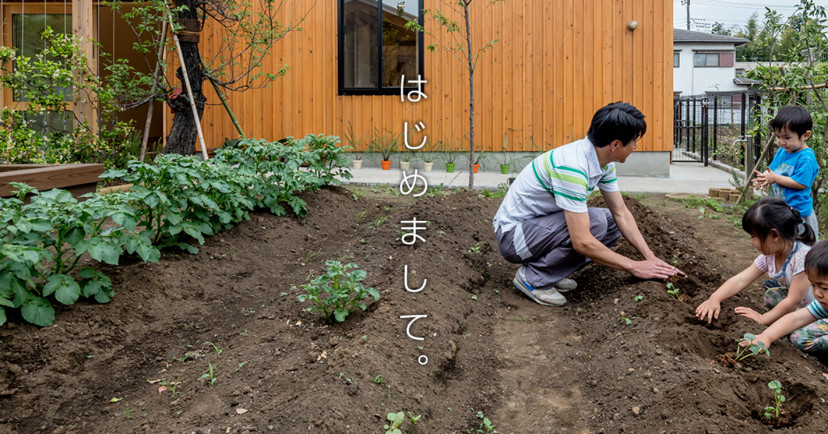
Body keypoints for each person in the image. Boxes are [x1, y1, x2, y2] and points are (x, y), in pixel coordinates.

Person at [492, 102, 681, 307]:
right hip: (513, 239)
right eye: (634, 141)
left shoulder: (602, 162)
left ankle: (549, 272)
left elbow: (621, 213)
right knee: (596, 223)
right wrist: (634, 266)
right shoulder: (572, 167)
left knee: (609, 222)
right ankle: (533, 278)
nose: (635, 147)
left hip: (535, 232)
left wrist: (649, 257)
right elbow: (581, 241)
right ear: (615, 145)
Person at [695, 198, 816, 327]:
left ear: (774, 235)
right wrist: (715, 298)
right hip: (803, 305)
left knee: (799, 338)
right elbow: (741, 279)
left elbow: (794, 300)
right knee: (771, 296)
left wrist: (763, 318)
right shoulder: (771, 256)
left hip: (821, 309)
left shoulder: (801, 258)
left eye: (754, 236)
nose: (752, 242)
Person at [749, 240, 828, 359]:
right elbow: (796, 318)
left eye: (824, 288)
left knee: (799, 337)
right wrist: (766, 336)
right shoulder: (822, 305)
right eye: (813, 285)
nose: (817, 293)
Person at [753, 105, 819, 241]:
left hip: (799, 215)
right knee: (783, 246)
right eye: (777, 136)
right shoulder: (783, 151)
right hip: (781, 212)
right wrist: (765, 177)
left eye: (787, 137)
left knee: (801, 250)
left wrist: (775, 178)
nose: (781, 142)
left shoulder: (806, 157)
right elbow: (773, 169)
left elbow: (801, 183)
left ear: (806, 135)